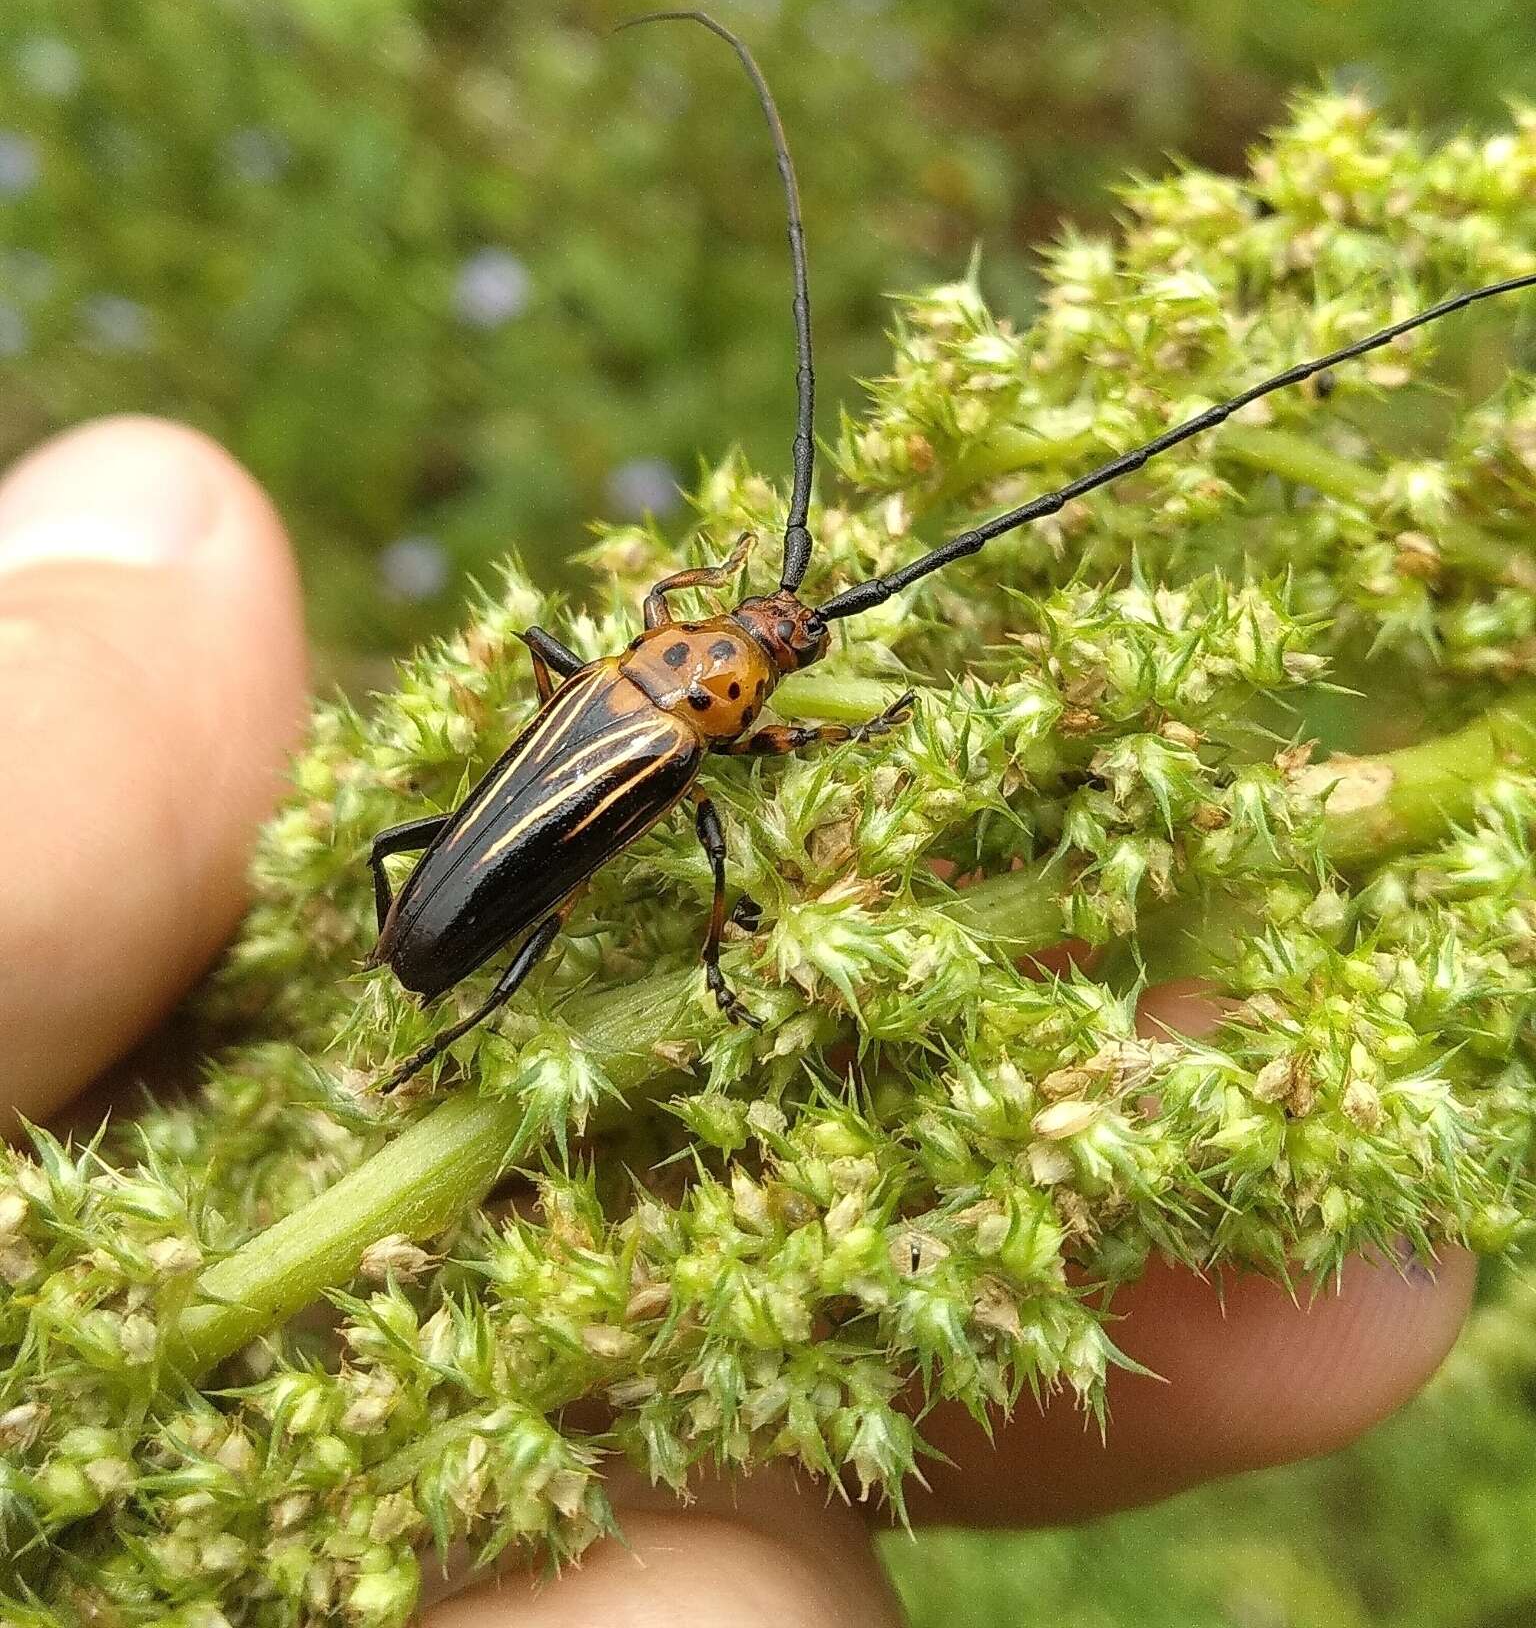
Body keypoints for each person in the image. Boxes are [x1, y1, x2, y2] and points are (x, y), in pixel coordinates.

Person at [0, 416, 1475, 1627]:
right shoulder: (685, 751)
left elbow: (683, 677)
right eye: (763, 642)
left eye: (768, 647)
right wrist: (737, 926)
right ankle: (447, 1032)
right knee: (539, 930)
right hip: (475, 905)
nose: (771, 643)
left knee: (429, 857)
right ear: (726, 671)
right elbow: (725, 826)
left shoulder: (628, 682)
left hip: (455, 863)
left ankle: (437, 1008)